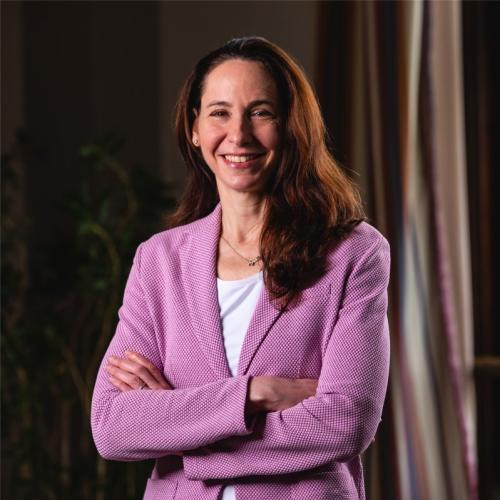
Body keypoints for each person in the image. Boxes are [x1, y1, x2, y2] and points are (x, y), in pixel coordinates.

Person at [91, 36, 390, 500]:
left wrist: (183, 434)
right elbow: (112, 425)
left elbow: (345, 421)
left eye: (261, 112)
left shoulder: (353, 254)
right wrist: (256, 394)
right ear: (194, 128)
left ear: (291, 126)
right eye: (219, 112)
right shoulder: (159, 260)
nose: (239, 135)